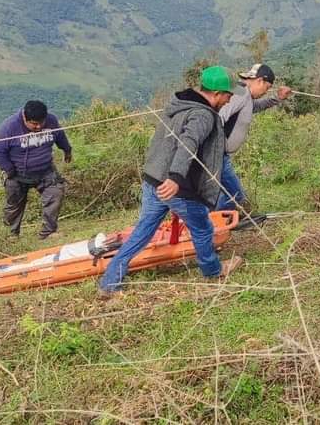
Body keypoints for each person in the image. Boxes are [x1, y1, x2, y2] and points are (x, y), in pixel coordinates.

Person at [98, 65, 244, 298]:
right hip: (175, 187)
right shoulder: (203, 115)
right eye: (228, 95)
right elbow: (188, 142)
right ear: (216, 93)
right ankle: (213, 270)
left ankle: (110, 281)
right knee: (203, 227)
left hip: (154, 179)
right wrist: (176, 178)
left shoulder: (178, 105)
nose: (229, 100)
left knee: (144, 230)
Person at [0, 100, 72, 240]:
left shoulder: (51, 121)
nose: (39, 126)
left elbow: (60, 136)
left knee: (55, 194)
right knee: (14, 205)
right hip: (17, 173)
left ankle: (48, 232)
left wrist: (67, 150)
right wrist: (9, 169)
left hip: (45, 170)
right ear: (24, 118)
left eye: (41, 123)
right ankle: (10, 235)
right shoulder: (9, 127)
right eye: (34, 124)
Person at [216, 63, 292, 211]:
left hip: (219, 154)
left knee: (223, 193)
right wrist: (213, 147)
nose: (266, 91)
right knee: (235, 195)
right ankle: (208, 224)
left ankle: (208, 224)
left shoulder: (244, 95)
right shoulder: (241, 93)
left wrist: (277, 98)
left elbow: (254, 107)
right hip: (217, 154)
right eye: (267, 88)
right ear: (259, 81)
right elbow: (220, 117)